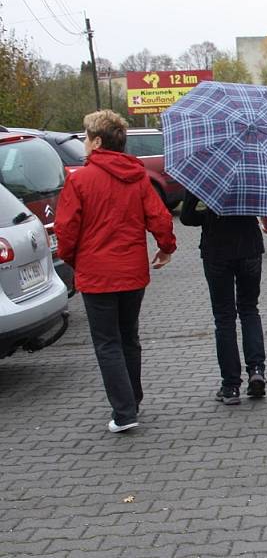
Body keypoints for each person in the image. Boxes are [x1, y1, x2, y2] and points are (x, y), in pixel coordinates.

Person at [55, 110, 176, 433]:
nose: (83, 142)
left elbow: (66, 230)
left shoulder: (80, 179)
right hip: (132, 272)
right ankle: (132, 400)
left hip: (97, 274)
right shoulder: (137, 177)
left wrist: (72, 260)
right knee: (128, 338)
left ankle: (124, 412)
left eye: (84, 136)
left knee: (107, 342)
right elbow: (160, 217)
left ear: (96, 142)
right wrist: (166, 247)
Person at [179, 190, 266, 405]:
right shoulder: (253, 169)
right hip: (249, 247)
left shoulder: (204, 174)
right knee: (249, 310)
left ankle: (230, 386)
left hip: (217, 251)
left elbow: (187, 217)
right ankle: (256, 370)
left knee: (224, 318)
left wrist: (208, 215)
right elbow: (262, 207)